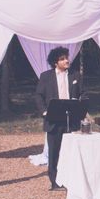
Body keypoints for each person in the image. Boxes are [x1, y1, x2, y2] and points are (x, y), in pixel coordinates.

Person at [35, 47, 83, 190]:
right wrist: (44, 112)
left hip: (71, 119)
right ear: (55, 62)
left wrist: (81, 107)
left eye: (66, 57)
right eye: (62, 59)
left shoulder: (75, 75)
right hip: (54, 119)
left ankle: (70, 179)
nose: (66, 60)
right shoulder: (45, 76)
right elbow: (38, 95)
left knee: (70, 151)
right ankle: (55, 182)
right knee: (54, 151)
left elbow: (83, 94)